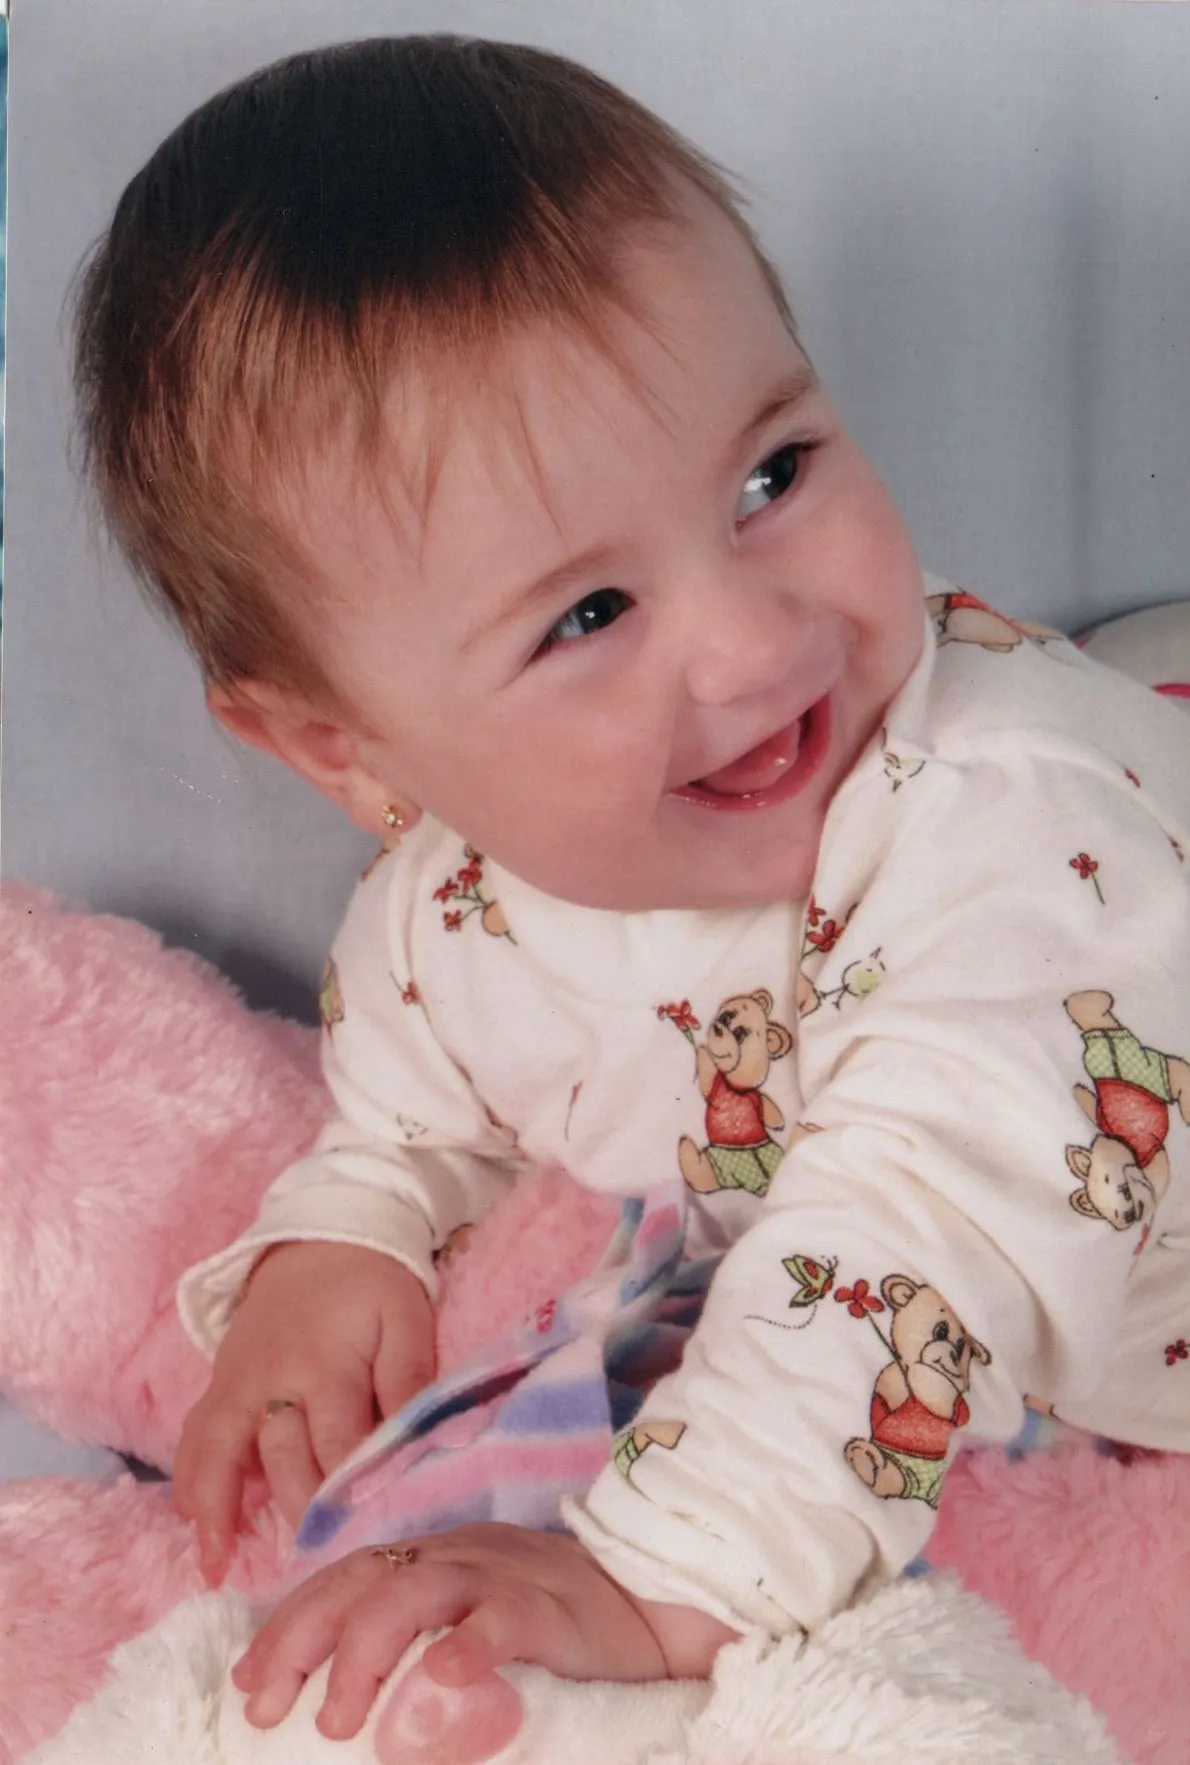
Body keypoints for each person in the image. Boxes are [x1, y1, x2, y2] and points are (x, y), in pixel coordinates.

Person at [72, 33, 1190, 1748]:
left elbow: (922, 1234)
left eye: (771, 476)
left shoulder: (1010, 832)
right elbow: (413, 1088)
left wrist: (665, 1577)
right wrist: (343, 1231)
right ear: (345, 747)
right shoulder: (453, 905)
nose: (759, 644)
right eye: (586, 617)